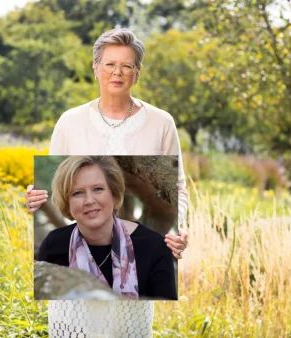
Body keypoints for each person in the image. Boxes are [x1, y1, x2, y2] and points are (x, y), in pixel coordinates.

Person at [25, 28, 189, 337]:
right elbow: (52, 190)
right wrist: (33, 200)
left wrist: (182, 230)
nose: (118, 72)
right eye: (110, 64)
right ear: (96, 68)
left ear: (136, 73)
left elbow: (178, 188)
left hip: (133, 275)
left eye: (127, 66)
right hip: (76, 279)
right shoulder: (69, 121)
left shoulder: (161, 122)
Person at [37, 156, 177, 300]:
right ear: (67, 203)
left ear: (114, 195)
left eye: (98, 189)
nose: (89, 201)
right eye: (77, 193)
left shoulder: (154, 246)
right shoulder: (52, 245)